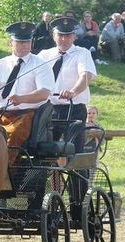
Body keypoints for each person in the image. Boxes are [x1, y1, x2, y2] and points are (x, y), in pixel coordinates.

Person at [38, 17, 97, 220]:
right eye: (60, 35)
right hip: (48, 110)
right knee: (39, 154)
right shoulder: (44, 55)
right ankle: (38, 201)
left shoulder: (82, 53)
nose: (64, 39)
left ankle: (78, 206)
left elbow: (86, 77)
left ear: (74, 36)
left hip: (74, 110)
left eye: (68, 35)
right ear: (54, 36)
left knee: (75, 157)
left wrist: (72, 91)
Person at [0, 21, 54, 164]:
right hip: (0, 113)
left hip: (28, 115)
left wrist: (22, 98)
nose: (24, 46)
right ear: (10, 42)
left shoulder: (40, 64)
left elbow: (44, 93)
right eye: (20, 42)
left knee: (11, 134)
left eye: (27, 42)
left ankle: (4, 170)